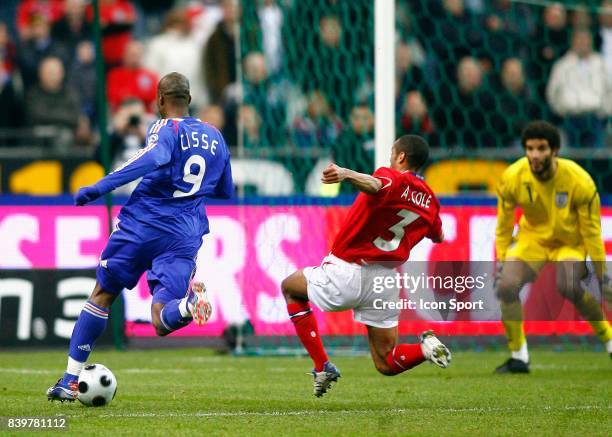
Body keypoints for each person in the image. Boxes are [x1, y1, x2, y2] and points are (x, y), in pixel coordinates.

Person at [46, 72, 234, 401]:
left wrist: (99, 187)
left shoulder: (165, 127)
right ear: (189, 99)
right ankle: (189, 307)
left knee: (104, 292)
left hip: (144, 224)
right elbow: (225, 190)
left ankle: (69, 380)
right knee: (162, 319)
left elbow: (154, 157)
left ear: (160, 101)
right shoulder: (216, 137)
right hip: (185, 233)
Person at [281, 135, 451, 397]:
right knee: (387, 361)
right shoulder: (430, 201)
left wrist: (345, 173)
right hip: (385, 282)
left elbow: (374, 184)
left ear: (401, 156)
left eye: (393, 151)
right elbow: (439, 236)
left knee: (291, 288)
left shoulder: (392, 177)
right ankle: (425, 348)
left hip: (348, 271)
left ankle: (322, 366)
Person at [494, 120, 612, 374]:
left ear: (555, 150)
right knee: (505, 285)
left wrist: (602, 274)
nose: (535, 155)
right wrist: (502, 259)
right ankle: (519, 357)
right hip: (532, 239)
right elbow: (503, 225)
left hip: (569, 242)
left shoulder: (580, 181)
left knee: (568, 284)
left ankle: (609, 340)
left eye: (541, 148)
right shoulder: (513, 177)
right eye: (530, 149)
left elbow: (592, 231)